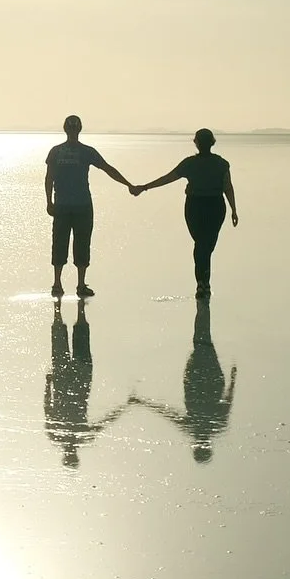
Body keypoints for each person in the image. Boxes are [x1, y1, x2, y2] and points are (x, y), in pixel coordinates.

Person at [130, 127, 238, 295]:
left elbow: (168, 178)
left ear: (196, 143)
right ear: (212, 143)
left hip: (195, 206)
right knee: (206, 245)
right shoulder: (220, 163)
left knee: (201, 245)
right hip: (215, 206)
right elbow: (228, 187)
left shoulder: (191, 163)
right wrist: (233, 209)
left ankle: (202, 282)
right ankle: (204, 282)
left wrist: (144, 187)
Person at [129, 296, 237, 462]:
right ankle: (203, 306)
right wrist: (233, 378)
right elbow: (227, 401)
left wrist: (233, 379)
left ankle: (202, 306)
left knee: (202, 343)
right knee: (202, 342)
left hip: (201, 378)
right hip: (207, 378)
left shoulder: (208, 424)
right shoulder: (214, 424)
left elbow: (168, 413)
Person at [44, 115, 134, 298]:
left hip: (64, 205)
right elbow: (108, 169)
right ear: (79, 129)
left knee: (60, 243)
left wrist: (49, 201)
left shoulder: (56, 151)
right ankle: (78, 284)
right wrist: (129, 185)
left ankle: (58, 283)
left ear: (65, 129)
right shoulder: (86, 151)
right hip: (80, 205)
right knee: (81, 243)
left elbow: (49, 178)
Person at [45, 299, 126, 468]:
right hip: (76, 381)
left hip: (69, 382)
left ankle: (63, 309)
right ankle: (72, 309)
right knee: (74, 341)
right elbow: (104, 422)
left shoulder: (60, 435)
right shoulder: (70, 435)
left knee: (64, 342)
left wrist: (48, 384)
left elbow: (48, 408)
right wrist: (123, 408)